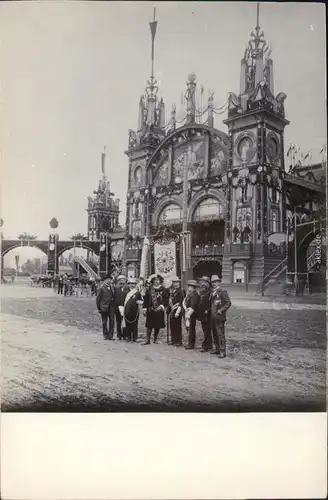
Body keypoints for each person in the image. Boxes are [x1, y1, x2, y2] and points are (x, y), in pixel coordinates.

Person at [142, 274, 169, 345]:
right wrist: (144, 308)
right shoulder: (149, 289)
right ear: (152, 281)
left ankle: (155, 339)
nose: (156, 282)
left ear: (160, 281)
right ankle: (147, 339)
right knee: (149, 325)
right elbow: (146, 299)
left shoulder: (164, 289)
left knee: (157, 324)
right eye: (155, 280)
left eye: (158, 280)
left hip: (159, 309)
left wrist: (162, 306)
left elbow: (166, 299)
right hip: (150, 309)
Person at [210, 275, 231, 358]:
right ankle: (217, 349)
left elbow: (228, 303)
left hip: (219, 317)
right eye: (212, 282)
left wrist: (221, 310)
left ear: (219, 282)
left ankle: (223, 351)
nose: (214, 284)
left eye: (215, 282)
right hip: (213, 316)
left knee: (220, 334)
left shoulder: (222, 292)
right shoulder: (213, 292)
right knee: (215, 333)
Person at [120, 277, 143, 342]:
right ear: (128, 284)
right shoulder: (125, 292)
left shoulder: (137, 293)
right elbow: (122, 302)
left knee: (135, 324)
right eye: (131, 284)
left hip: (135, 311)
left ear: (135, 285)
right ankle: (128, 336)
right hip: (127, 311)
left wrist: (139, 302)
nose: (132, 285)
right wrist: (121, 310)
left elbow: (141, 301)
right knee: (127, 324)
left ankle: (135, 337)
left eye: (133, 284)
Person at [96, 274, 115, 340]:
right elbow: (98, 299)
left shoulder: (112, 287)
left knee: (112, 321)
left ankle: (111, 335)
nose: (109, 281)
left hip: (111, 307)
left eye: (110, 280)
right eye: (107, 280)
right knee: (104, 322)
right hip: (104, 307)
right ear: (104, 281)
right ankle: (105, 335)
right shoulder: (101, 288)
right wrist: (99, 308)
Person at [197, 276, 213, 352]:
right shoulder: (201, 292)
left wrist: (208, 310)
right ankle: (207, 345)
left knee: (207, 330)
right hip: (202, 315)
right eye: (202, 282)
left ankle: (207, 346)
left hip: (208, 315)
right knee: (204, 330)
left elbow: (211, 303)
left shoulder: (210, 292)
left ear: (208, 283)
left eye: (205, 282)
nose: (203, 284)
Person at [182, 280, 199, 350]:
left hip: (191, 314)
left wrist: (188, 315)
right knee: (189, 328)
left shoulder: (195, 295)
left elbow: (193, 306)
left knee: (191, 329)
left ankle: (191, 344)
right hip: (188, 312)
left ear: (194, 287)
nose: (189, 288)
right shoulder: (190, 294)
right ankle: (189, 342)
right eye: (188, 286)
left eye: (190, 286)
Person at [168, 276, 184, 346]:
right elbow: (170, 300)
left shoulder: (181, 291)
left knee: (177, 326)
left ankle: (178, 341)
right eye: (174, 282)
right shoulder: (172, 291)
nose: (175, 284)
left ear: (179, 283)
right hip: (172, 310)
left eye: (177, 282)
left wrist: (178, 311)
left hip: (177, 310)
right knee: (172, 325)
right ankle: (173, 340)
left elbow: (181, 301)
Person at [114, 275, 129, 340]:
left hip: (125, 307)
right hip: (117, 308)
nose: (121, 281)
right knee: (118, 322)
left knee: (125, 321)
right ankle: (119, 335)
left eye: (123, 280)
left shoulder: (127, 289)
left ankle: (125, 334)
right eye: (120, 280)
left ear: (125, 281)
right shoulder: (116, 289)